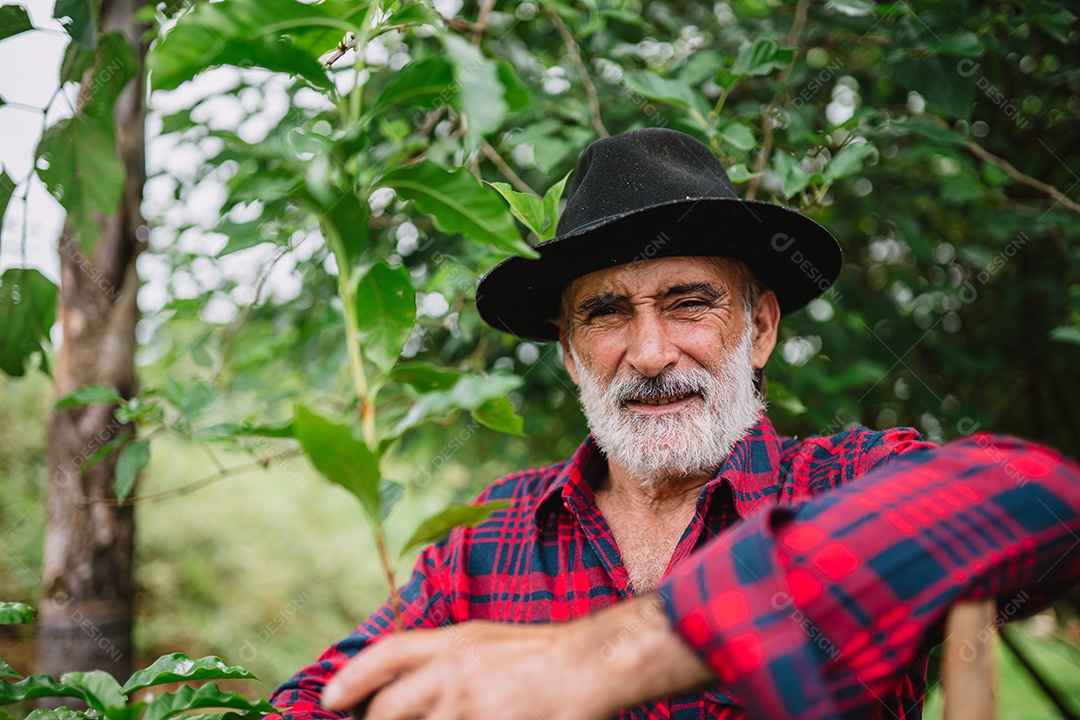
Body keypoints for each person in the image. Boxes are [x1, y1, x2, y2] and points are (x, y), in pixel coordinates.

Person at [270, 128, 1080, 720]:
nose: (651, 353)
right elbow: (313, 704)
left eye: (690, 302)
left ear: (759, 329)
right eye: (607, 312)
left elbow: (1047, 500)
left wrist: (626, 650)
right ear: (570, 351)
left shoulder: (844, 481)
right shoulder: (485, 542)